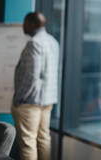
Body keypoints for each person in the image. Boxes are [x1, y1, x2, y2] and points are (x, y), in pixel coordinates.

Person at [11, 12, 59, 160]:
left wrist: (19, 99)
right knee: (44, 139)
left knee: (27, 143)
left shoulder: (34, 43)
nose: (23, 25)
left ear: (33, 24)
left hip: (30, 102)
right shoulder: (52, 41)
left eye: (25, 22)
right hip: (47, 100)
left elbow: (31, 76)